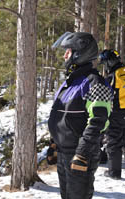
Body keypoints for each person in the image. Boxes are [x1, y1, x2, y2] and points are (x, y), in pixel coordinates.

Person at [48, 32, 113, 199]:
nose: (64, 56)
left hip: (81, 155)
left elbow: (98, 122)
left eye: (67, 52)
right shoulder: (69, 83)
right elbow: (61, 117)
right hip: (64, 153)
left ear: (79, 53)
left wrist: (82, 152)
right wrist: (54, 144)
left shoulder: (95, 82)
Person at [99, 49, 125, 179]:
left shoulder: (113, 76)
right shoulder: (123, 72)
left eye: (105, 63)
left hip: (117, 112)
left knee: (113, 140)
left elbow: (105, 94)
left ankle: (114, 172)